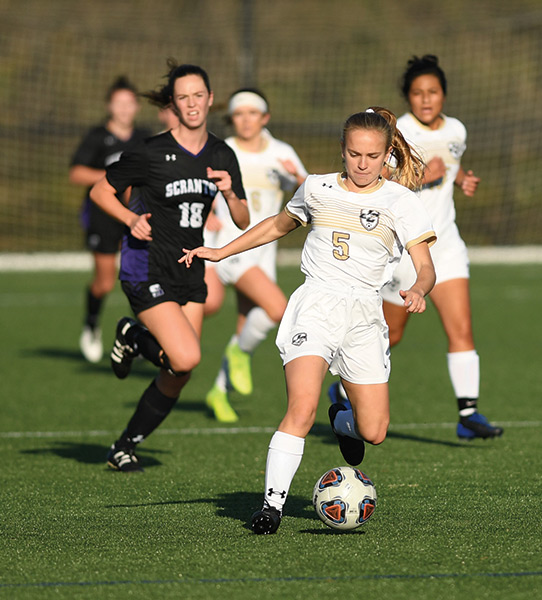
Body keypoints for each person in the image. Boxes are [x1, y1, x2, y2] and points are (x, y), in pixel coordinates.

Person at [180, 110, 436, 534]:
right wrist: (221, 252)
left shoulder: (401, 202)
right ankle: (271, 508)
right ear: (342, 150)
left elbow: (425, 266)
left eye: (372, 156)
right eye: (354, 153)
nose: (362, 163)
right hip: (315, 304)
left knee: (374, 431)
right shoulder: (315, 187)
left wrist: (419, 289)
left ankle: (343, 421)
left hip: (364, 316)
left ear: (388, 154)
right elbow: (277, 226)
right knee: (300, 408)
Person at [89, 61, 249, 472]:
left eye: (199, 96)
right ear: (173, 104)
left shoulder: (221, 152)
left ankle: (123, 445)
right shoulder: (150, 150)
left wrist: (231, 195)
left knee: (179, 370)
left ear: (211, 99)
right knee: (187, 356)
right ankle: (133, 333)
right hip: (146, 267)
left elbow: (244, 218)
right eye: (183, 97)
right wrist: (130, 219)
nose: (192, 104)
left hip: (189, 270)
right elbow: (99, 190)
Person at [333, 55, 503, 441]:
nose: (426, 100)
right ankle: (342, 388)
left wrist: (461, 182)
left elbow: (450, 170)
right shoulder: (394, 131)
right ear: (407, 97)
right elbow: (378, 180)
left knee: (461, 329)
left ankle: (468, 414)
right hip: (404, 251)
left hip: (446, 244)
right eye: (417, 93)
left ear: (444, 94)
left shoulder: (457, 130)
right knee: (390, 335)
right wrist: (424, 175)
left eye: (433, 92)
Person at [202, 88, 307, 423]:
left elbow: (309, 196)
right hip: (231, 244)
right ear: (231, 119)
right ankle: (237, 352)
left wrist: (301, 178)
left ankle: (218, 391)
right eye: (239, 114)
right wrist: (205, 213)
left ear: (266, 118)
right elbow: (196, 186)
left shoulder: (282, 152)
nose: (245, 120)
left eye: (253, 113)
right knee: (278, 308)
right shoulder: (222, 150)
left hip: (265, 252)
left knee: (247, 324)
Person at [69, 76, 150, 363]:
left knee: (138, 276)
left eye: (130, 103)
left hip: (137, 215)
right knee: (104, 282)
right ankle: (91, 325)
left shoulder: (145, 137)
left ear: (137, 107)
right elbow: (76, 173)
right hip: (103, 215)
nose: (125, 109)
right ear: (109, 106)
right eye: (119, 103)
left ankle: (137, 335)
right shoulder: (97, 136)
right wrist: (114, 179)